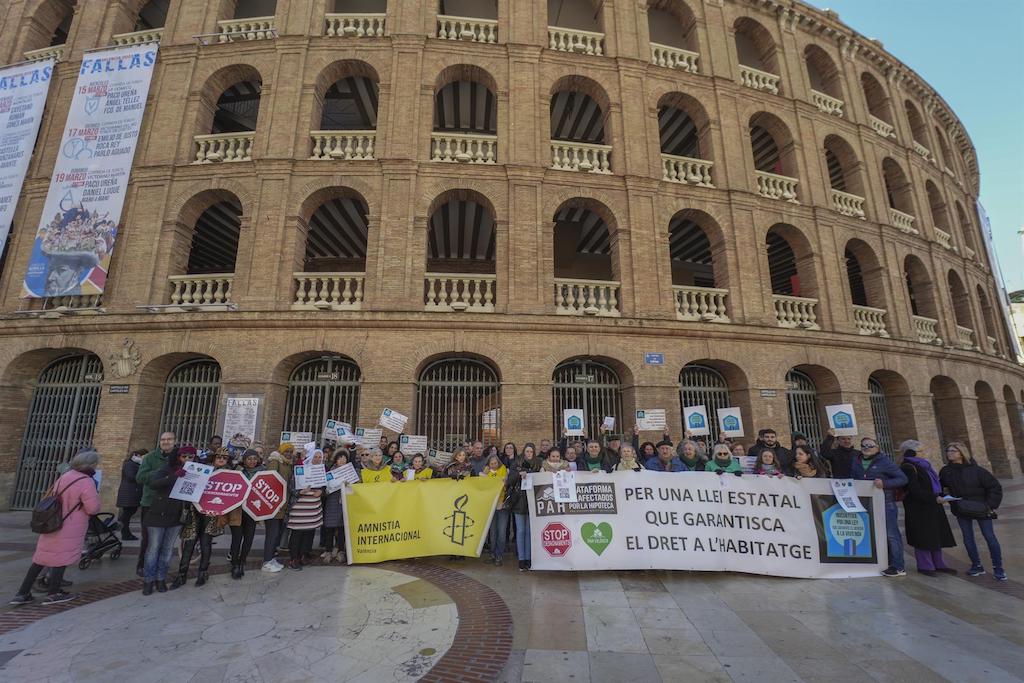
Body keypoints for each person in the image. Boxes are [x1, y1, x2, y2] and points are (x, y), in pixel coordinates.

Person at [9, 450, 102, 606]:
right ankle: (54, 593)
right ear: (91, 464)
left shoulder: (65, 476)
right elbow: (92, 508)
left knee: (40, 559)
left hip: (51, 522)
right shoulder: (86, 481)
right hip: (71, 525)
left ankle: (22, 593)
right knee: (61, 558)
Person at [939, 442, 1006, 581]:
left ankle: (998, 568)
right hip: (961, 508)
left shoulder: (978, 470)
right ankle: (977, 565)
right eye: (948, 451)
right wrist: (944, 496)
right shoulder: (946, 471)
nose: (950, 453)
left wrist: (990, 505)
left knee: (989, 537)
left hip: (981, 508)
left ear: (962, 453)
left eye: (954, 451)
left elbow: (994, 487)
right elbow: (942, 487)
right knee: (968, 538)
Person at [172, 449, 230, 589]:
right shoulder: (202, 469)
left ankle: (203, 573)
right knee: (189, 544)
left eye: (225, 457)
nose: (221, 459)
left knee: (205, 543)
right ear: (214, 458)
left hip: (211, 514)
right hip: (193, 511)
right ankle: (182, 574)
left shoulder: (229, 475)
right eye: (219, 456)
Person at [851, 437, 909, 577]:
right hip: (865, 504)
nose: (866, 448)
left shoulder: (884, 462)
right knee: (871, 534)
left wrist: (885, 483)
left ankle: (898, 566)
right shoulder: (856, 461)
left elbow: (902, 479)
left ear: (877, 448)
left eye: (870, 445)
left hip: (885, 503)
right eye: (864, 445)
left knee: (891, 534)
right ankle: (882, 562)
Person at [898, 440, 956, 576]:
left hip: (933, 505)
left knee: (935, 534)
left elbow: (932, 484)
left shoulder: (925, 465)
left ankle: (938, 563)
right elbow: (914, 489)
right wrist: (933, 497)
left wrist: (942, 495)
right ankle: (925, 565)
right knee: (923, 536)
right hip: (918, 507)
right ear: (912, 452)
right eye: (921, 450)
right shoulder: (908, 466)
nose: (924, 453)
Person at [142, 447, 189, 595]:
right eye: (184, 456)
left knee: (167, 550)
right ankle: (148, 580)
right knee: (153, 549)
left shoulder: (194, 473)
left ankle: (160, 578)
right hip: (158, 515)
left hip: (175, 517)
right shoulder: (167, 469)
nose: (187, 459)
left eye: (191, 456)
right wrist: (174, 476)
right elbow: (154, 484)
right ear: (178, 457)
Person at [134, 431, 177, 576]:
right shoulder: (150, 457)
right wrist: (161, 473)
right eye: (163, 439)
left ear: (174, 441)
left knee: (166, 539)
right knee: (148, 538)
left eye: (169, 439)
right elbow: (140, 477)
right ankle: (142, 565)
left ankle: (160, 566)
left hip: (170, 504)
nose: (166, 442)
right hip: (151, 502)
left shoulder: (178, 458)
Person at [226, 449, 262, 579]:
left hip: (252, 511)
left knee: (248, 538)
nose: (252, 461)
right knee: (236, 538)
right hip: (238, 510)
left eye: (254, 458)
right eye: (249, 458)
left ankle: (242, 561)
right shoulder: (238, 471)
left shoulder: (263, 472)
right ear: (244, 460)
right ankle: (234, 563)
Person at [287, 449, 324, 570]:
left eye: (320, 457)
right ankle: (293, 558)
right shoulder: (300, 469)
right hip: (300, 507)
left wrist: (321, 491)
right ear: (310, 457)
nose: (317, 459)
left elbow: (325, 486)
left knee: (308, 533)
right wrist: (299, 492)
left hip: (313, 507)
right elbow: (291, 486)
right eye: (315, 456)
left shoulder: (322, 470)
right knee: (297, 533)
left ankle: (303, 556)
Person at [261, 443, 294, 573]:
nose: (288, 453)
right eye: (286, 451)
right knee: (272, 534)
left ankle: (271, 558)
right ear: (281, 451)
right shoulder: (275, 461)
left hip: (283, 505)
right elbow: (271, 480)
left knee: (277, 535)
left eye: (291, 451)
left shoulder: (288, 464)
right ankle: (267, 561)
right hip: (273, 505)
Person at [321, 451, 348, 563]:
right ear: (336, 459)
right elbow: (325, 487)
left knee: (341, 528)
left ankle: (340, 550)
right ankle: (328, 550)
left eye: (344, 458)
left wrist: (349, 485)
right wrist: (328, 489)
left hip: (344, 502)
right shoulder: (330, 471)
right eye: (340, 458)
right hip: (332, 502)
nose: (342, 460)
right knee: (329, 527)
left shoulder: (349, 472)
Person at [482, 455, 509, 565]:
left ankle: (499, 555)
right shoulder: (485, 473)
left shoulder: (504, 470)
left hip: (502, 505)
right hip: (491, 505)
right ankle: (492, 554)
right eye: (492, 463)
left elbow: (506, 484)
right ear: (488, 464)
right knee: (492, 533)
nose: (494, 465)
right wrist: (484, 475)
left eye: (496, 463)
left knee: (502, 532)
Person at [507, 457, 532, 570]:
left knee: (529, 532)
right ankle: (521, 559)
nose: (529, 454)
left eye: (531, 451)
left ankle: (528, 558)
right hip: (518, 503)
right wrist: (519, 474)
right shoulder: (515, 465)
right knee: (521, 531)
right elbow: (509, 481)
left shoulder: (537, 465)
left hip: (531, 504)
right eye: (527, 451)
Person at [116, 449, 145, 541]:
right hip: (128, 493)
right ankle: (123, 530)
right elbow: (131, 477)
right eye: (143, 456)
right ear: (137, 455)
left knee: (129, 512)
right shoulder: (129, 464)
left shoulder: (135, 464)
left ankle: (125, 531)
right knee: (127, 513)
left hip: (133, 493)